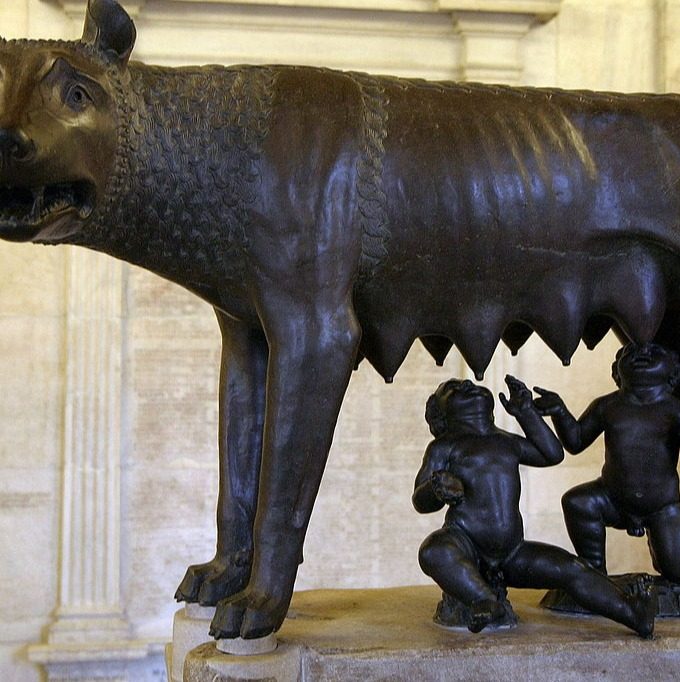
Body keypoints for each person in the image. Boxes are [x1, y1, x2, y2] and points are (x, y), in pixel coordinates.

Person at [414, 375, 655, 637]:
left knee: (573, 568)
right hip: (465, 541)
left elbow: (551, 453)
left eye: (467, 383)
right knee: (433, 550)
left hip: (513, 552)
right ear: (442, 414)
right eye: (454, 389)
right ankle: (484, 599)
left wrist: (526, 413)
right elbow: (420, 499)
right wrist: (436, 489)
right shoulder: (444, 447)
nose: (468, 385)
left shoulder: (507, 441)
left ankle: (634, 614)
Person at [534, 342, 680, 582]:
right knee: (578, 502)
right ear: (616, 370)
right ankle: (595, 573)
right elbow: (576, 441)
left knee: (675, 572)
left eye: (655, 351)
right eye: (630, 352)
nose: (642, 353)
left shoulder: (674, 410)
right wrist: (559, 411)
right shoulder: (608, 405)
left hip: (662, 506)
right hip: (612, 498)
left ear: (674, 370)